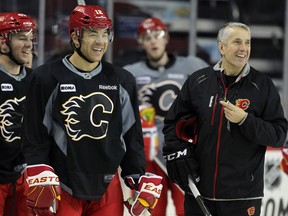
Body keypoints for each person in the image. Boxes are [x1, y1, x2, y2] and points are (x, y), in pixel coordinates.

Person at [22, 5, 163, 216]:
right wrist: (38, 167)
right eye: (92, 34)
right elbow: (35, 132)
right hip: (62, 184)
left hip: (108, 185)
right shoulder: (46, 77)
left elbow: (130, 133)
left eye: (105, 33)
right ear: (75, 38)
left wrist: (136, 173)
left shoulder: (122, 80)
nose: (100, 41)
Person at [162, 22, 288, 216]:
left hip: (242, 197)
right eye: (237, 42)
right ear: (221, 46)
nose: (244, 48)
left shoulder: (262, 85)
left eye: (247, 42)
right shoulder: (198, 81)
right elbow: (173, 123)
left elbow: (279, 135)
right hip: (198, 193)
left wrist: (245, 120)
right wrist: (178, 152)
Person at [124, 17, 208, 216]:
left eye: (158, 35)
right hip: (149, 155)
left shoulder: (192, 66)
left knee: (187, 209)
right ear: (140, 42)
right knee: (150, 211)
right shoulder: (130, 74)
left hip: (184, 151)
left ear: (166, 38)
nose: (153, 41)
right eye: (147, 37)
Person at [0, 12, 36, 216]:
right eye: (22, 38)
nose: (29, 44)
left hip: (25, 178)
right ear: (3, 43)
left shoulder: (36, 80)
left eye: (30, 38)